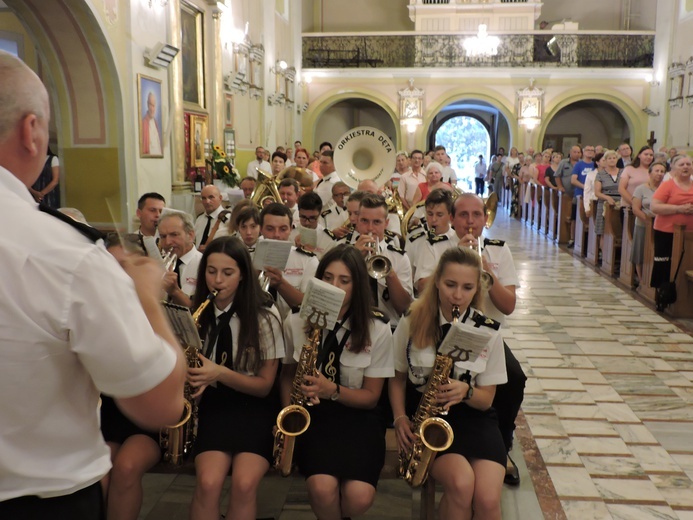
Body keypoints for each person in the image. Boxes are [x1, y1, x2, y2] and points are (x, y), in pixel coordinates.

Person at [0, 50, 186, 518]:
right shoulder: (65, 255)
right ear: (31, 131)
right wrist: (145, 298)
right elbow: (158, 403)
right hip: (36, 501)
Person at [390, 247, 508, 520]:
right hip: (428, 418)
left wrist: (466, 391)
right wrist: (398, 418)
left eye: (467, 288)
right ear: (436, 282)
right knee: (461, 484)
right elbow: (396, 379)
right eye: (450, 285)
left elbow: (486, 399)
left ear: (477, 289)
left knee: (489, 499)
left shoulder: (487, 330)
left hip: (475, 417)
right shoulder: (411, 320)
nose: (458, 295)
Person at [415, 193, 524, 485]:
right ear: (452, 218)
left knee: (514, 377)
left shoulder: (498, 251)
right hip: (440, 329)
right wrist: (451, 266)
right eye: (463, 215)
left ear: (484, 218)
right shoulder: (437, 245)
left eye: (477, 215)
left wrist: (487, 271)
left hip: (485, 336)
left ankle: (503, 439)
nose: (470, 222)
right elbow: (420, 287)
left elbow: (508, 305)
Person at [281, 245, 394, 520]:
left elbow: (371, 398)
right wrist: (288, 419)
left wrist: (331, 390)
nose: (335, 286)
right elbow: (286, 376)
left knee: (359, 497)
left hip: (360, 417)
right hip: (313, 416)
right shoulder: (297, 320)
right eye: (328, 278)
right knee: (321, 488)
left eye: (345, 280)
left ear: (359, 285)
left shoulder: (377, 328)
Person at [187, 236, 284, 520]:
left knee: (243, 484)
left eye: (227, 273)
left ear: (243, 275)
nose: (217, 280)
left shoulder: (265, 315)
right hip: (214, 406)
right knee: (207, 483)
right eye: (211, 271)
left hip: (255, 408)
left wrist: (218, 372)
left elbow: (265, 386)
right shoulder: (198, 312)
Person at [259, 203, 319, 319]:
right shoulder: (248, 258)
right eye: (270, 229)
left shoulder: (308, 260)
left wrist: (281, 283)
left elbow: (310, 309)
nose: (276, 235)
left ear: (291, 229)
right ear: (261, 229)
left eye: (283, 229)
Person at [650, 154, 693, 306]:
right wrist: (679, 208)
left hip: (689, 234)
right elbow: (655, 206)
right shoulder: (668, 185)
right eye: (682, 165)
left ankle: (684, 300)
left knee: (686, 263)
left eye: (688, 164)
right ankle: (662, 296)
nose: (686, 167)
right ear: (673, 168)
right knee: (665, 263)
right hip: (666, 231)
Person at [159, 211, 203, 308]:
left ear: (190, 235)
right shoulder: (159, 265)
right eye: (163, 236)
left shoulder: (203, 264)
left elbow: (199, 311)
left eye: (174, 235)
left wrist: (175, 291)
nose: (168, 242)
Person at [631, 162, 665, 285]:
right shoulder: (641, 188)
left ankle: (654, 279)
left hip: (661, 225)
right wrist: (649, 222)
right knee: (640, 252)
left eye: (662, 171)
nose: (660, 174)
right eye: (657, 171)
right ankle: (641, 279)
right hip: (643, 224)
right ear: (650, 173)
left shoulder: (665, 188)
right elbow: (636, 209)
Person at [594, 150, 622, 252]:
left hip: (620, 202)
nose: (612, 160)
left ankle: (618, 254)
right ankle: (603, 253)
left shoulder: (622, 172)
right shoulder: (601, 174)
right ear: (605, 161)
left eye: (614, 158)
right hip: (605, 202)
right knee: (603, 231)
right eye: (609, 158)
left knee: (618, 228)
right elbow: (597, 192)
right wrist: (607, 198)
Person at [555, 145, 582, 247]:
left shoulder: (581, 164)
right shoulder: (564, 162)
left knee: (576, 216)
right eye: (575, 152)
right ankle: (565, 237)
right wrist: (560, 186)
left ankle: (576, 238)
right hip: (566, 193)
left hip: (578, 194)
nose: (577, 154)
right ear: (570, 152)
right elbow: (557, 175)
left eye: (579, 152)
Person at [195, 185, 230, 250]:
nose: (207, 201)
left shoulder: (228, 219)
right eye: (204, 198)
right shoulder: (199, 219)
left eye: (211, 197)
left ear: (220, 198)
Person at [142, 91, 162, 156]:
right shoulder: (144, 123)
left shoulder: (155, 123)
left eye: (154, 105)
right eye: (151, 105)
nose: (153, 108)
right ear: (147, 104)